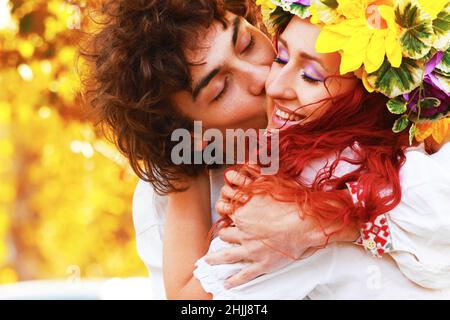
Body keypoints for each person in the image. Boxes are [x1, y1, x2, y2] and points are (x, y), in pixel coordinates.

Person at [193, 0, 450, 299]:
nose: (273, 86)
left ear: (370, 95)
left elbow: (193, 301)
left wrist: (324, 220)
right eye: (281, 57)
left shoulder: (303, 192)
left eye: (311, 76)